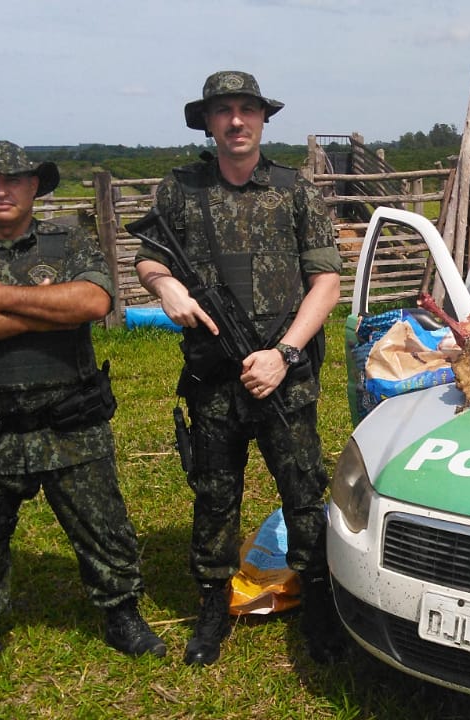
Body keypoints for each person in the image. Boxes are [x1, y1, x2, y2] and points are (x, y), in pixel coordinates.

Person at [0, 140, 166, 694]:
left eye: (15, 180)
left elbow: (94, 304)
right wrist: (45, 311)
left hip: (70, 421)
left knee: (105, 528)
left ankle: (121, 614)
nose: (2, 190)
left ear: (34, 187)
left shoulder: (68, 238)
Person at [134, 71, 347, 665]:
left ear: (261, 119)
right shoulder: (179, 191)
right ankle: (212, 604)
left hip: (285, 377)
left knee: (304, 493)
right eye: (223, 110)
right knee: (214, 495)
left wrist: (285, 354)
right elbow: (149, 256)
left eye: (246, 110)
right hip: (213, 382)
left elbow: (326, 282)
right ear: (207, 121)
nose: (235, 121)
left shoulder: (294, 189)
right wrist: (166, 287)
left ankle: (319, 603)